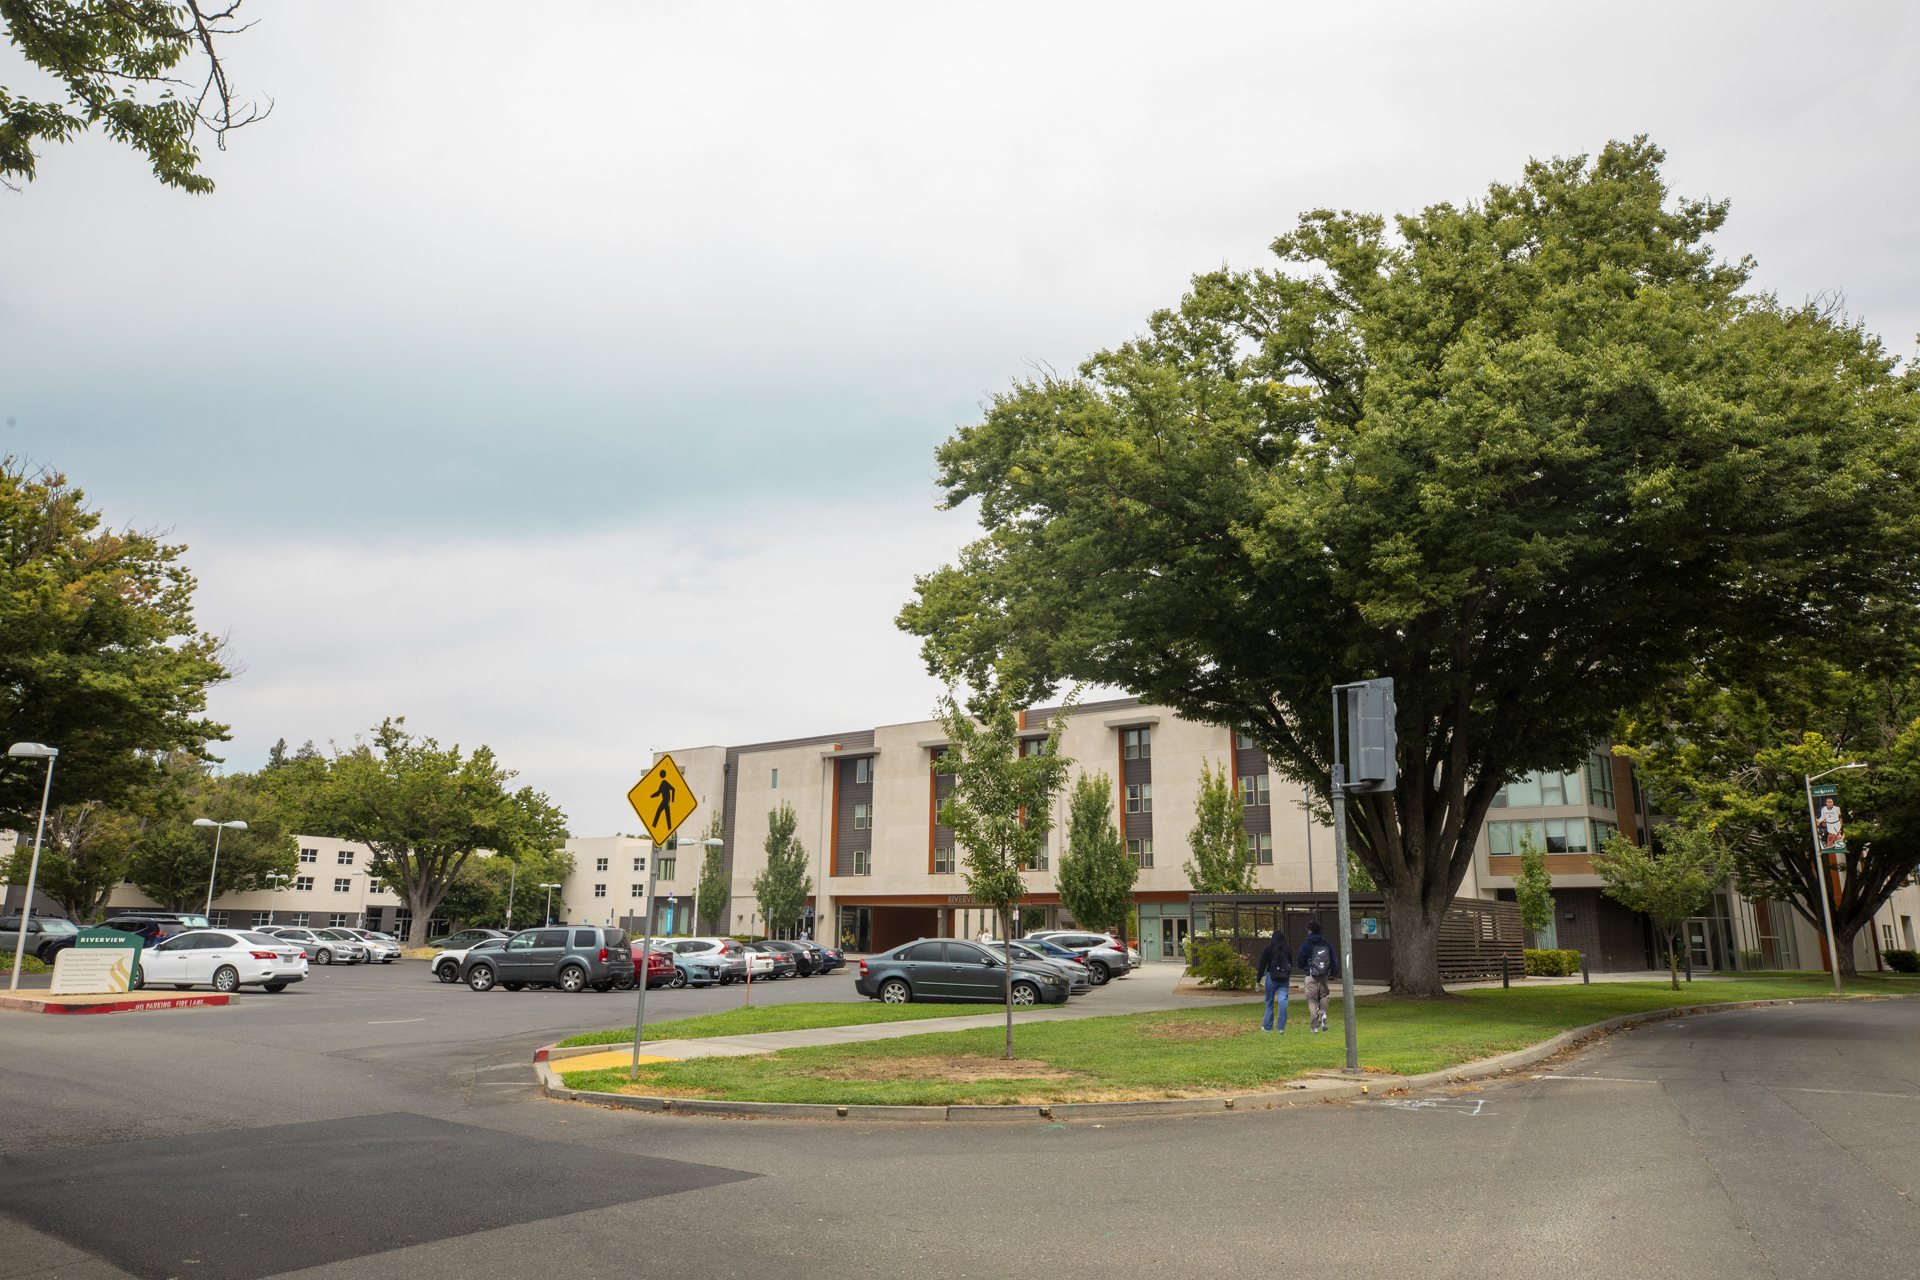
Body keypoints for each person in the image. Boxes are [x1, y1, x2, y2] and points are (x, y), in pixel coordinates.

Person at [1296, 919, 1340, 1033]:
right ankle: (1323, 1013)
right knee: (1324, 995)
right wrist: (1333, 972)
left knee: (1312, 1000)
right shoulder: (1327, 944)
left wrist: (1303, 967)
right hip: (1324, 975)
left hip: (1310, 975)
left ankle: (1314, 1026)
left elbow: (1300, 960)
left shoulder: (1306, 945)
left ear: (1310, 932)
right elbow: (1334, 959)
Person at [1256, 926, 1292, 1033]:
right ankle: (1281, 1027)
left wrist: (1258, 981)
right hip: (1284, 979)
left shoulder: (1268, 949)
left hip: (1271, 977)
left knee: (1269, 1002)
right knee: (1283, 1001)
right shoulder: (1288, 950)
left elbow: (1262, 965)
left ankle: (1267, 1027)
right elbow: (1290, 964)